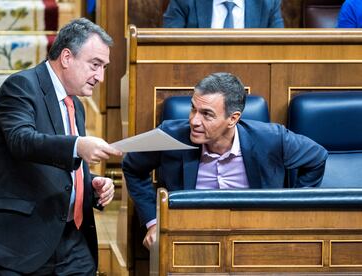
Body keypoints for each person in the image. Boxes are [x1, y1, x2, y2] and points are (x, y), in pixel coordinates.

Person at [0, 18, 123, 275]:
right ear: (67, 57)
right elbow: (22, 141)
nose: (100, 76)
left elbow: (59, 163)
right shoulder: (21, 86)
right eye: (95, 65)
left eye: (104, 67)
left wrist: (89, 185)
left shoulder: (76, 104)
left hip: (72, 243)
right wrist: (79, 146)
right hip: (18, 241)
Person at [122, 72, 327, 249]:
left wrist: (292, 212)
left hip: (254, 236)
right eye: (193, 109)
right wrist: (153, 222)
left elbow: (317, 157)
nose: (194, 121)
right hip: (190, 237)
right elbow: (132, 167)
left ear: (233, 119)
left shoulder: (272, 139)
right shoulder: (171, 136)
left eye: (207, 114)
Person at [163, 0, 284, 28]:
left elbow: (281, 49)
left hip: (253, 81)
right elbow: (168, 47)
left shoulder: (268, 3)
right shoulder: (184, 2)